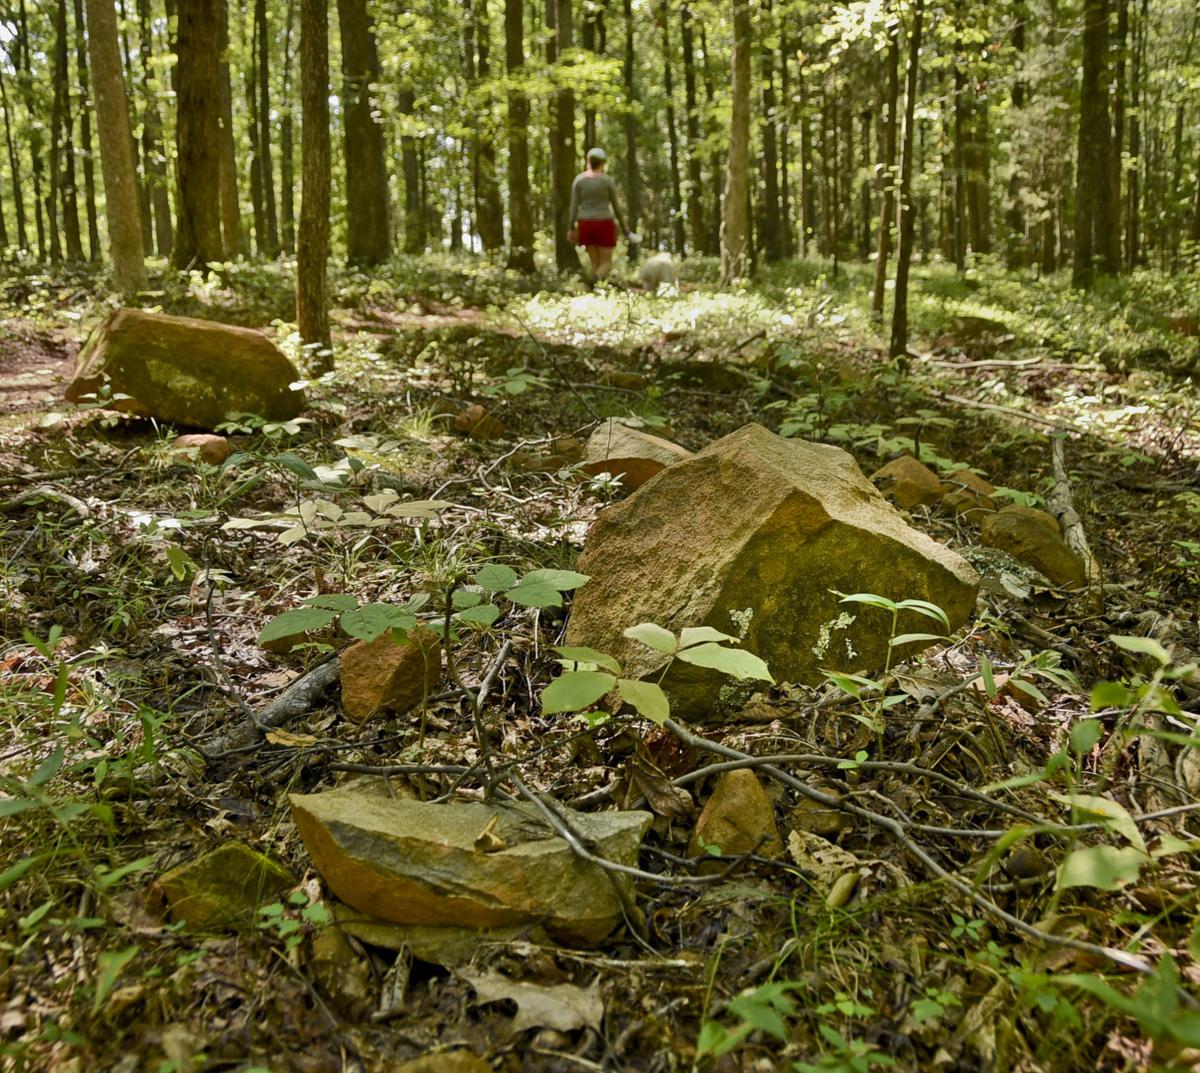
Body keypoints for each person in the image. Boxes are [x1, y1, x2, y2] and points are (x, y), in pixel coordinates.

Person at [566, 148, 629, 283]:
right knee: (606, 262)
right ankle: (596, 284)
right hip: (604, 222)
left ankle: (593, 289)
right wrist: (625, 229)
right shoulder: (607, 181)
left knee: (595, 262)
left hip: (585, 224)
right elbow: (616, 207)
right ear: (603, 163)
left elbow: (573, 206)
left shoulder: (579, 180)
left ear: (589, 161)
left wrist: (571, 228)